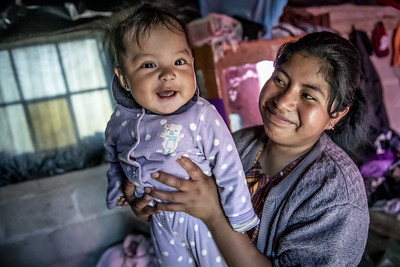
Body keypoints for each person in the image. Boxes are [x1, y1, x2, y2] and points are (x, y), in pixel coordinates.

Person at [127, 31, 371, 266]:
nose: (283, 101)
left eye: (308, 95)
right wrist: (158, 204)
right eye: (280, 80)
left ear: (336, 115)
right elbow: (185, 202)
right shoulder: (237, 142)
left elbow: (207, 209)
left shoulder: (337, 198)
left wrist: (213, 214)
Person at [103, 3, 258, 267]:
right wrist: (118, 186)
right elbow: (114, 154)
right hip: (160, 220)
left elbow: (228, 163)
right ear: (124, 79)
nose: (168, 73)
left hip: (202, 220)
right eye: (149, 64)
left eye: (179, 61)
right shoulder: (121, 119)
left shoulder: (200, 115)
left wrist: (240, 216)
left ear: (192, 64)